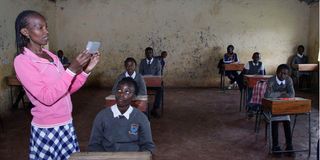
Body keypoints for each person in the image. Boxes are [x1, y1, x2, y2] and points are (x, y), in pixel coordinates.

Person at [14, 10, 100, 160]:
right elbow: (47, 97)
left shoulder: (52, 56)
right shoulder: (23, 61)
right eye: (39, 28)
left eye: (46, 27)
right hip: (47, 128)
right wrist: (72, 69)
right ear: (25, 32)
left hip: (66, 123)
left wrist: (86, 70)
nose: (46, 31)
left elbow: (66, 89)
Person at [88, 77, 155, 153]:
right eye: (119, 90)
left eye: (127, 92)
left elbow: (148, 146)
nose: (121, 94)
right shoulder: (102, 116)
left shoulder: (141, 118)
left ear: (134, 97)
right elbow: (94, 145)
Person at [264, 64, 295, 157]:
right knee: (275, 121)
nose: (283, 75)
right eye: (281, 73)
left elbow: (292, 94)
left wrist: (276, 94)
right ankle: (275, 146)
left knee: (287, 121)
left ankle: (289, 146)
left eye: (285, 74)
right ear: (277, 72)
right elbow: (268, 95)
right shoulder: (271, 80)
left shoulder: (289, 80)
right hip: (270, 107)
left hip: (283, 107)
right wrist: (282, 93)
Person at [239, 52, 265, 117]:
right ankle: (250, 107)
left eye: (258, 57)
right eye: (255, 57)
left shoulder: (261, 64)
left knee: (261, 93)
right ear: (252, 57)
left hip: (258, 82)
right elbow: (245, 74)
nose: (256, 58)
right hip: (249, 82)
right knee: (251, 93)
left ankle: (256, 107)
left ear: (260, 58)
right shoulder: (248, 64)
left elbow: (262, 75)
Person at [139, 47, 162, 118]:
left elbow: (158, 75)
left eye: (150, 52)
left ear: (152, 54)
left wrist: (153, 80)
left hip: (154, 84)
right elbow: (140, 73)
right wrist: (144, 80)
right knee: (138, 88)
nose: (148, 54)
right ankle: (143, 109)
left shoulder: (157, 62)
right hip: (144, 84)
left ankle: (155, 109)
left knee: (160, 89)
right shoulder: (142, 62)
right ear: (145, 54)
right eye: (147, 53)